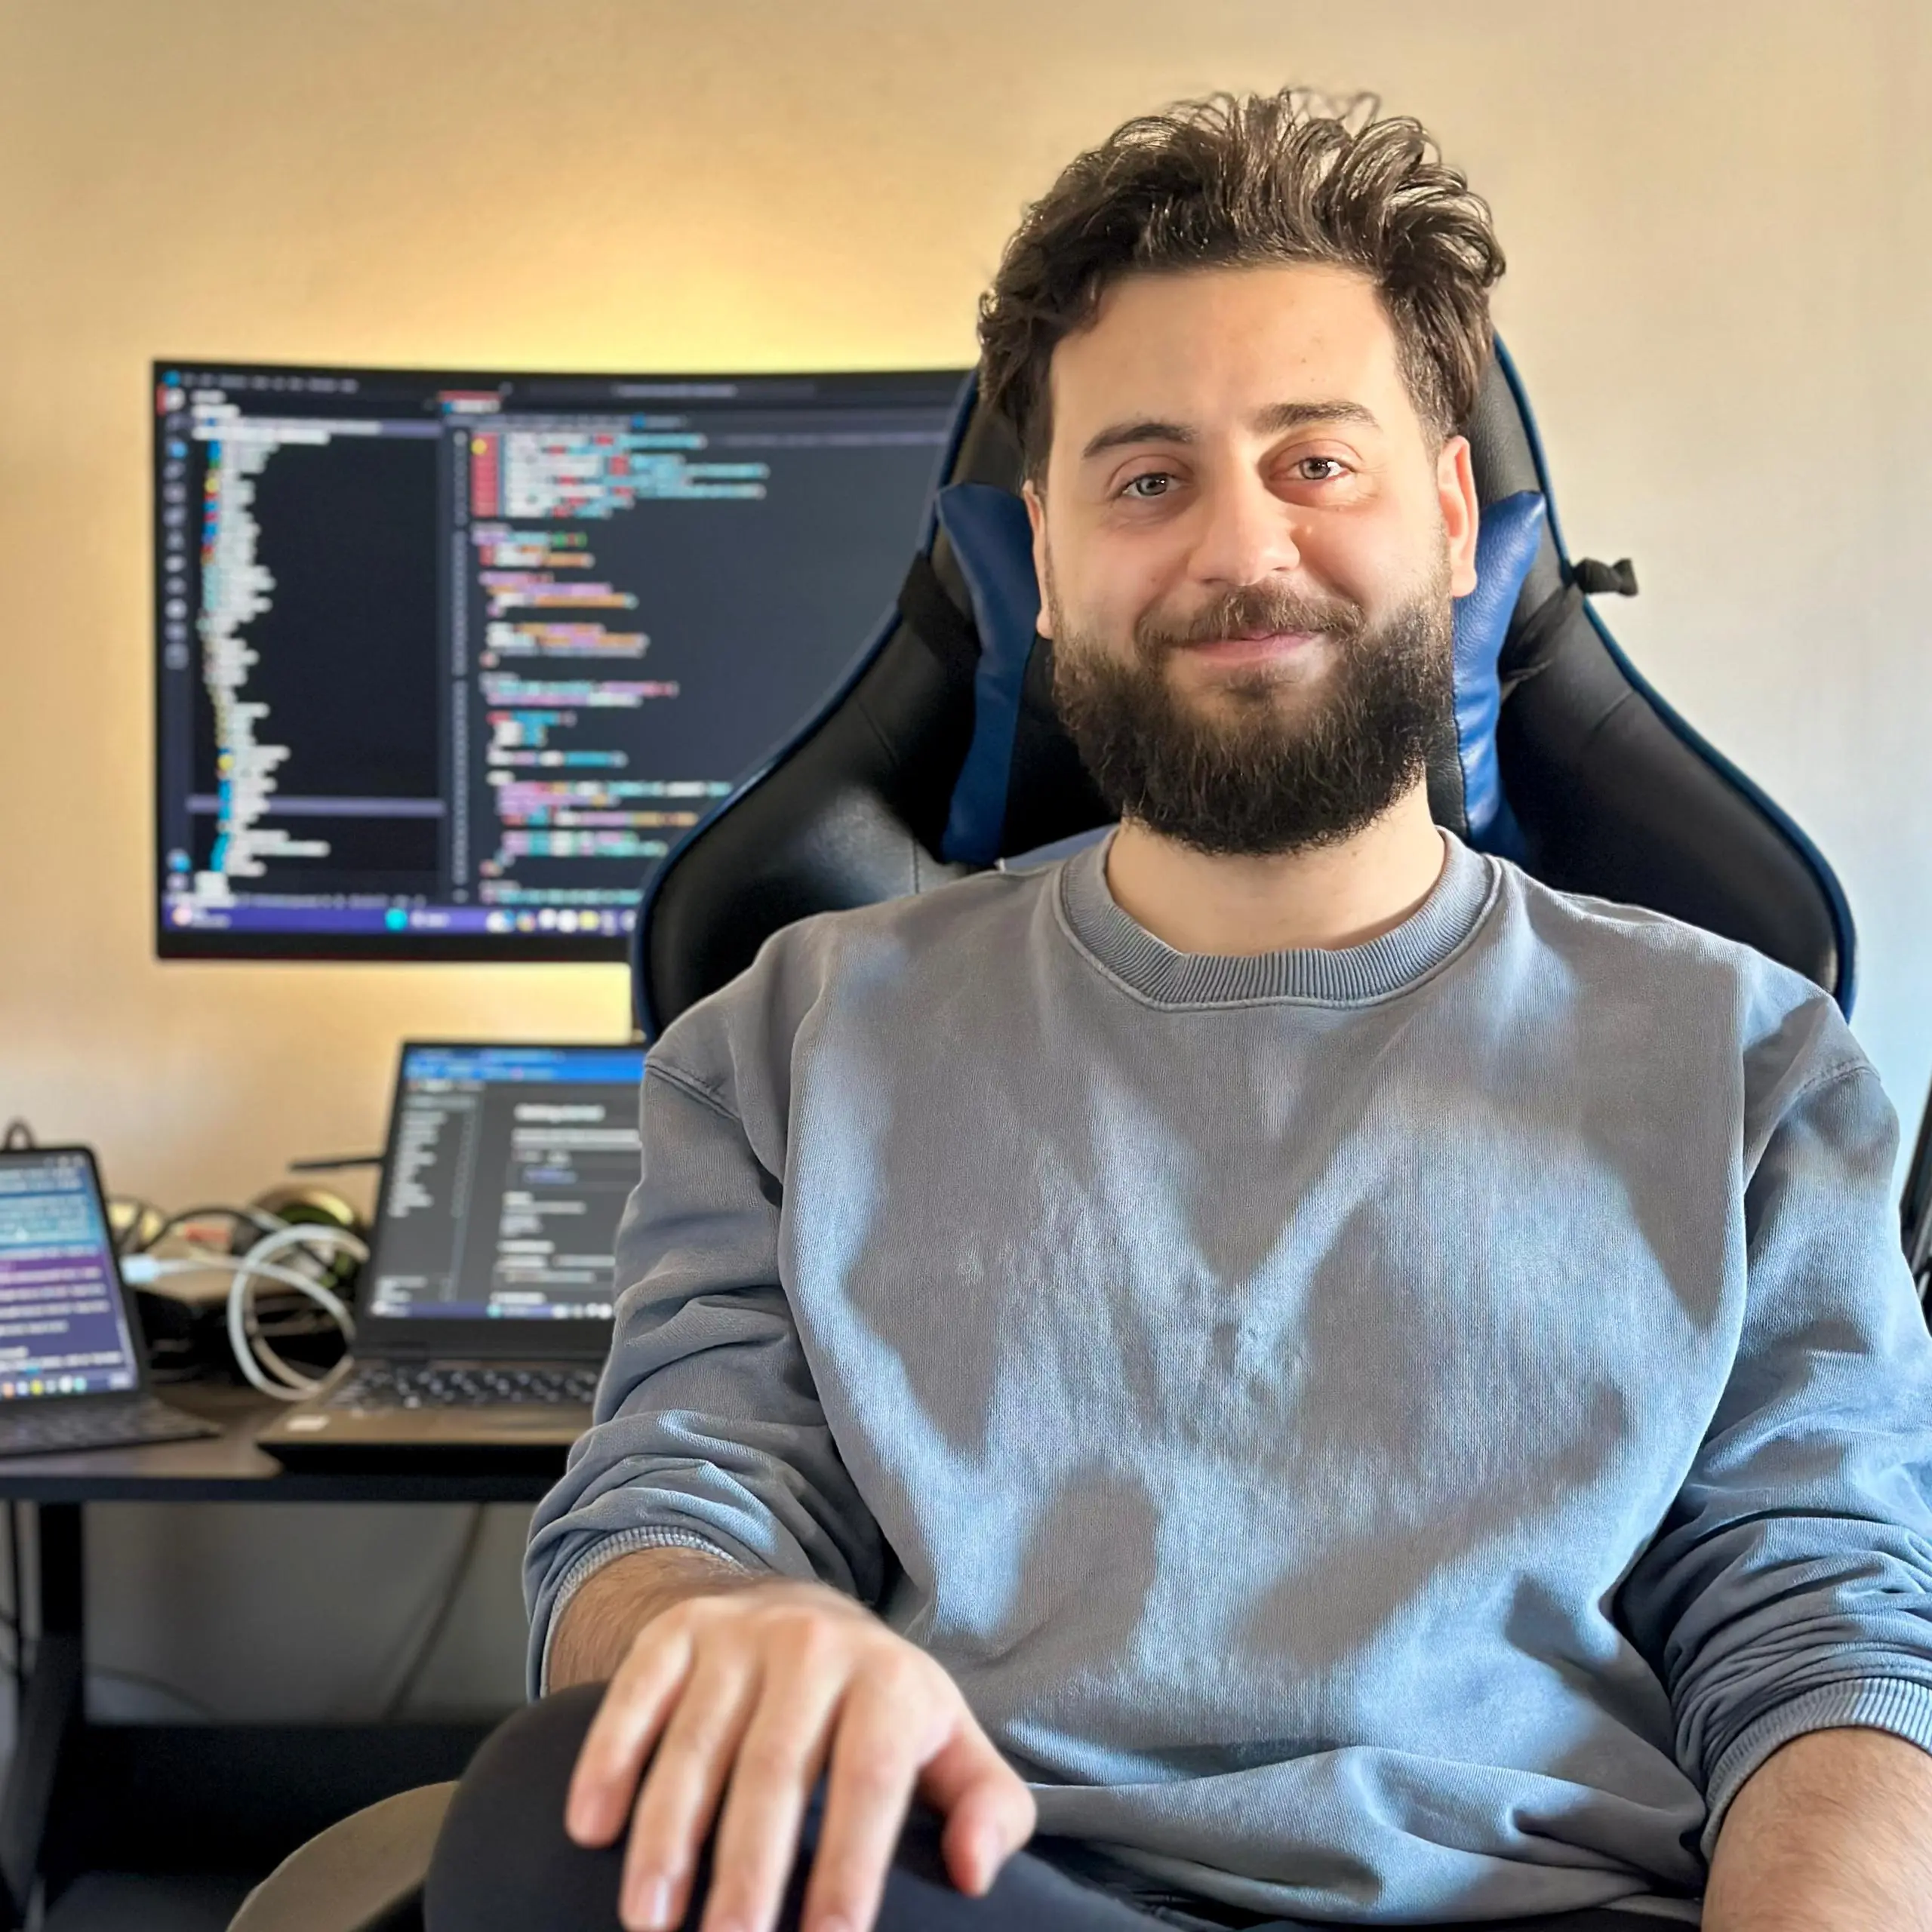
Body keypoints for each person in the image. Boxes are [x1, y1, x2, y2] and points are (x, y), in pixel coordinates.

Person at [425, 89, 1932, 1932]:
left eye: (1316, 461)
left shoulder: (1749, 1063)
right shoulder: (790, 1038)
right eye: (1145, 478)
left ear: (1449, 516)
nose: (1239, 548)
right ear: (1045, 565)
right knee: (555, 1817)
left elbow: (1832, 1631)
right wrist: (721, 1630)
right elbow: (663, 1510)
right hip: (984, 1882)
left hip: (1529, 1904)